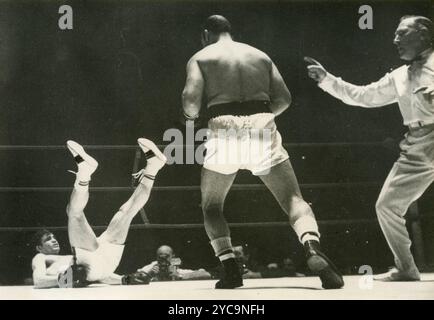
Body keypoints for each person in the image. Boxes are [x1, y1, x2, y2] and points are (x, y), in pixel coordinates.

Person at [182, 15, 344, 289]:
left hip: (223, 125)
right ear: (230, 31)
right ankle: (312, 247)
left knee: (211, 206)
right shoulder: (260, 55)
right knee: (293, 199)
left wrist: (191, 119)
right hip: (261, 122)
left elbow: (190, 101)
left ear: (205, 34)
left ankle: (230, 267)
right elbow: (284, 98)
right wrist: (260, 119)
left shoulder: (201, 57)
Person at [305, 15, 433, 281]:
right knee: (387, 205)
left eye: (402, 33)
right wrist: (327, 79)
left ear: (423, 33)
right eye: (395, 34)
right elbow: (363, 96)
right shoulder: (399, 76)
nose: (395, 39)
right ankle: (407, 268)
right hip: (418, 144)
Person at [31, 138, 167, 288]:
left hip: (101, 263)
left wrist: (124, 279)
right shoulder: (40, 257)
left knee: (126, 212)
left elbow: (100, 276)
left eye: (52, 236)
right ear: (39, 248)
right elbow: (38, 281)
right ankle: (84, 173)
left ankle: (153, 167)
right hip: (93, 264)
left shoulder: (69, 258)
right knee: (73, 213)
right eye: (47, 239)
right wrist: (64, 279)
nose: (54, 240)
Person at [138, 245, 211, 281]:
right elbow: (131, 277)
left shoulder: (176, 270)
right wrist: (148, 275)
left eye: (166, 257)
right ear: (157, 257)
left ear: (172, 257)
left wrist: (180, 276)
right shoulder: (151, 267)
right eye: (160, 257)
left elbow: (206, 274)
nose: (163, 261)